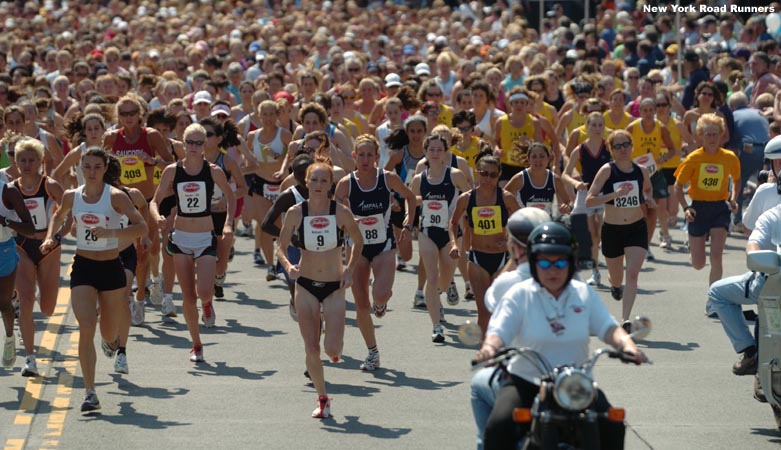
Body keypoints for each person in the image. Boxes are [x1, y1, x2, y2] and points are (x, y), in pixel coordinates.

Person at [478, 221, 647, 450]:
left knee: (612, 423)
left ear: (571, 262)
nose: (553, 269)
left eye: (560, 262)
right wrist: (490, 348)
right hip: (526, 383)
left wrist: (627, 346)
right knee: (498, 427)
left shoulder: (582, 293)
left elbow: (609, 328)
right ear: (534, 262)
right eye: (545, 262)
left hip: (575, 385)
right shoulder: (519, 294)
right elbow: (499, 331)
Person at [39, 147, 146, 413]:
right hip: (84, 267)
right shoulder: (71, 196)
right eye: (86, 167)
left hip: (111, 267)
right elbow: (58, 215)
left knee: (108, 333)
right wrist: (50, 237)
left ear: (105, 168)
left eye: (97, 167)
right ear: (80, 169)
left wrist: (110, 231)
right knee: (86, 326)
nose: (91, 172)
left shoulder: (116, 196)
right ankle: (90, 392)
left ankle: (111, 341)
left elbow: (141, 226)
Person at [276, 160, 363, 419]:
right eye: (314, 180)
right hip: (305, 284)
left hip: (334, 286)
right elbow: (279, 246)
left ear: (330, 185)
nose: (318, 185)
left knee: (332, 349)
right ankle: (323, 398)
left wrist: (349, 269)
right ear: (306, 182)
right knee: (311, 347)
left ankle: (332, 340)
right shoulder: (296, 212)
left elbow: (358, 241)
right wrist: (288, 265)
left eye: (324, 181)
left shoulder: (340, 212)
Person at [150, 124, 235, 363]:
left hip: (205, 236)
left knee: (204, 292)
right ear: (183, 144)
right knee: (188, 297)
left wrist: (228, 224)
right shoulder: (172, 171)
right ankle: (196, 344)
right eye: (191, 142)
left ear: (206, 144)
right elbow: (154, 201)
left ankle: (207, 304)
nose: (195, 147)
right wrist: (158, 218)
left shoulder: (214, 171)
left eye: (200, 143)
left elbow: (230, 197)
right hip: (181, 237)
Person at [334, 134, 415, 371]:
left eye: (370, 155)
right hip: (356, 249)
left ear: (377, 157)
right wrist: (347, 219)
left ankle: (381, 303)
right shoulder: (346, 184)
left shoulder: (387, 178)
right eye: (361, 155)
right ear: (354, 156)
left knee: (380, 294)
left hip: (384, 246)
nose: (366, 159)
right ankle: (372, 352)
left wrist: (408, 222)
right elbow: (335, 208)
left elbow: (410, 197)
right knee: (361, 306)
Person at [707, 136, 781, 380]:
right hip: (770, 271)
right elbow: (753, 234)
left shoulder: (765, 194)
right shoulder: (773, 212)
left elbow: (748, 227)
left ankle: (751, 353)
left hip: (768, 272)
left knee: (719, 293)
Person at [586, 130, 654, 327]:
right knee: (617, 278)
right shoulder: (607, 171)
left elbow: (647, 189)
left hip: (636, 228)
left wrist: (648, 199)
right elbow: (590, 201)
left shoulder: (641, 170)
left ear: (632, 146)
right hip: (612, 230)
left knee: (632, 274)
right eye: (618, 146)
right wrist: (613, 195)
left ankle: (625, 319)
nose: (623, 149)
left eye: (626, 145)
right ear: (611, 149)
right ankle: (615, 286)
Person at [449, 154, 520, 336]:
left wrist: (509, 239)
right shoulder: (466, 198)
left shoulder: (506, 198)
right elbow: (453, 222)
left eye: (493, 175)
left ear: (499, 175)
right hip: (477, 258)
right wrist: (454, 244)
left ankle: (500, 349)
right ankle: (485, 354)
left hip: (502, 259)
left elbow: (521, 222)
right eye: (484, 174)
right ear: (477, 174)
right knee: (484, 311)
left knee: (499, 309)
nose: (488, 179)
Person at [12, 139, 66, 376]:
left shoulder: (50, 186)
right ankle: (30, 358)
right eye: (22, 160)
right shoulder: (11, 189)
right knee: (26, 301)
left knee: (47, 308)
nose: (26, 164)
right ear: (16, 162)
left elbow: (72, 210)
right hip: (21, 246)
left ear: (40, 162)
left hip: (48, 248)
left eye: (31, 160)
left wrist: (58, 236)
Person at [410, 134, 471, 343]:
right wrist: (413, 213)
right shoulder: (419, 179)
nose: (435, 153)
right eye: (431, 150)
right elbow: (414, 200)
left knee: (443, 281)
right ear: (425, 152)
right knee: (432, 275)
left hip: (452, 233)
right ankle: (436, 326)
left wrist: (462, 215)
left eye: (439, 150)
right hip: (428, 231)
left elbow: (469, 197)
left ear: (445, 153)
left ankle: (439, 294)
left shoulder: (455, 175)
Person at [674, 114, 740, 286]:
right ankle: (692, 244)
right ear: (701, 136)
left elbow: (737, 179)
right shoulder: (694, 158)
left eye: (715, 134)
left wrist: (733, 199)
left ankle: (713, 298)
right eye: (708, 134)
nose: (711, 138)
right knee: (699, 264)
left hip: (720, 208)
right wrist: (686, 207)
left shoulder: (729, 157)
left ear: (721, 135)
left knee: (716, 257)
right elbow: (678, 186)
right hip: (698, 208)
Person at [562, 112, 612, 286]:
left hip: (605, 194)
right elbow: (565, 174)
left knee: (604, 234)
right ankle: (596, 271)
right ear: (587, 127)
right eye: (594, 125)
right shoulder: (581, 149)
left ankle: (613, 269)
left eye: (600, 125)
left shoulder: (610, 146)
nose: (597, 128)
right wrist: (576, 184)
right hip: (586, 194)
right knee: (592, 236)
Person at [246, 100, 292, 273]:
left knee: (281, 226)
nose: (267, 118)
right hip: (260, 184)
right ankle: (270, 265)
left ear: (277, 115)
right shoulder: (252, 136)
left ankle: (283, 260)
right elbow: (247, 158)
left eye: (271, 113)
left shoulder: (285, 135)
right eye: (264, 114)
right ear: (259, 116)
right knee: (264, 225)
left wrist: (277, 156)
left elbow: (291, 158)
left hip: (281, 184)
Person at [728, 91, 770, 228]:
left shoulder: (733, 116)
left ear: (732, 106)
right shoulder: (758, 113)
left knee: (738, 184)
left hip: (748, 150)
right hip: (767, 151)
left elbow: (731, 139)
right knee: (766, 186)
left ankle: (737, 219)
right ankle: (765, 219)